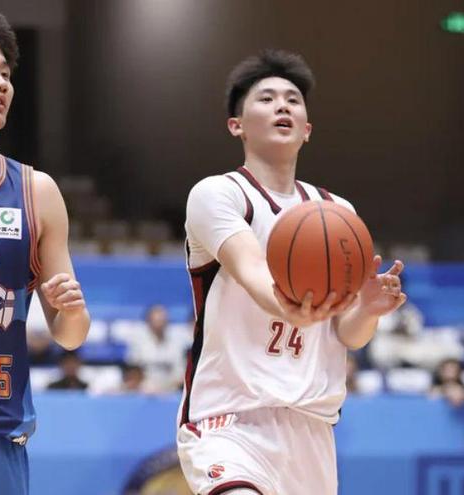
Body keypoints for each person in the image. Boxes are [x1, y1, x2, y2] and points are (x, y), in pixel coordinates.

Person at [177, 49, 406, 495]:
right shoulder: (218, 194)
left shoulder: (338, 211)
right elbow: (253, 272)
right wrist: (296, 309)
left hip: (311, 426)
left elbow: (348, 335)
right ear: (236, 125)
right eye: (266, 99)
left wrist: (368, 310)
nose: (282, 105)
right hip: (229, 419)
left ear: (307, 130)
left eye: (292, 100)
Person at [0, 2, 90, 493]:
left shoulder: (37, 192)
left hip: (4, 431)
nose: (1, 83)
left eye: (6, 74)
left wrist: (69, 308)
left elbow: (71, 335)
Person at [126, 304, 190, 393]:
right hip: (145, 390)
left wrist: (170, 387)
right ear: (148, 321)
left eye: (162, 321)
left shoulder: (177, 342)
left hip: (171, 390)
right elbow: (133, 372)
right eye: (156, 321)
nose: (160, 324)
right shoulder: (138, 342)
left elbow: (181, 372)